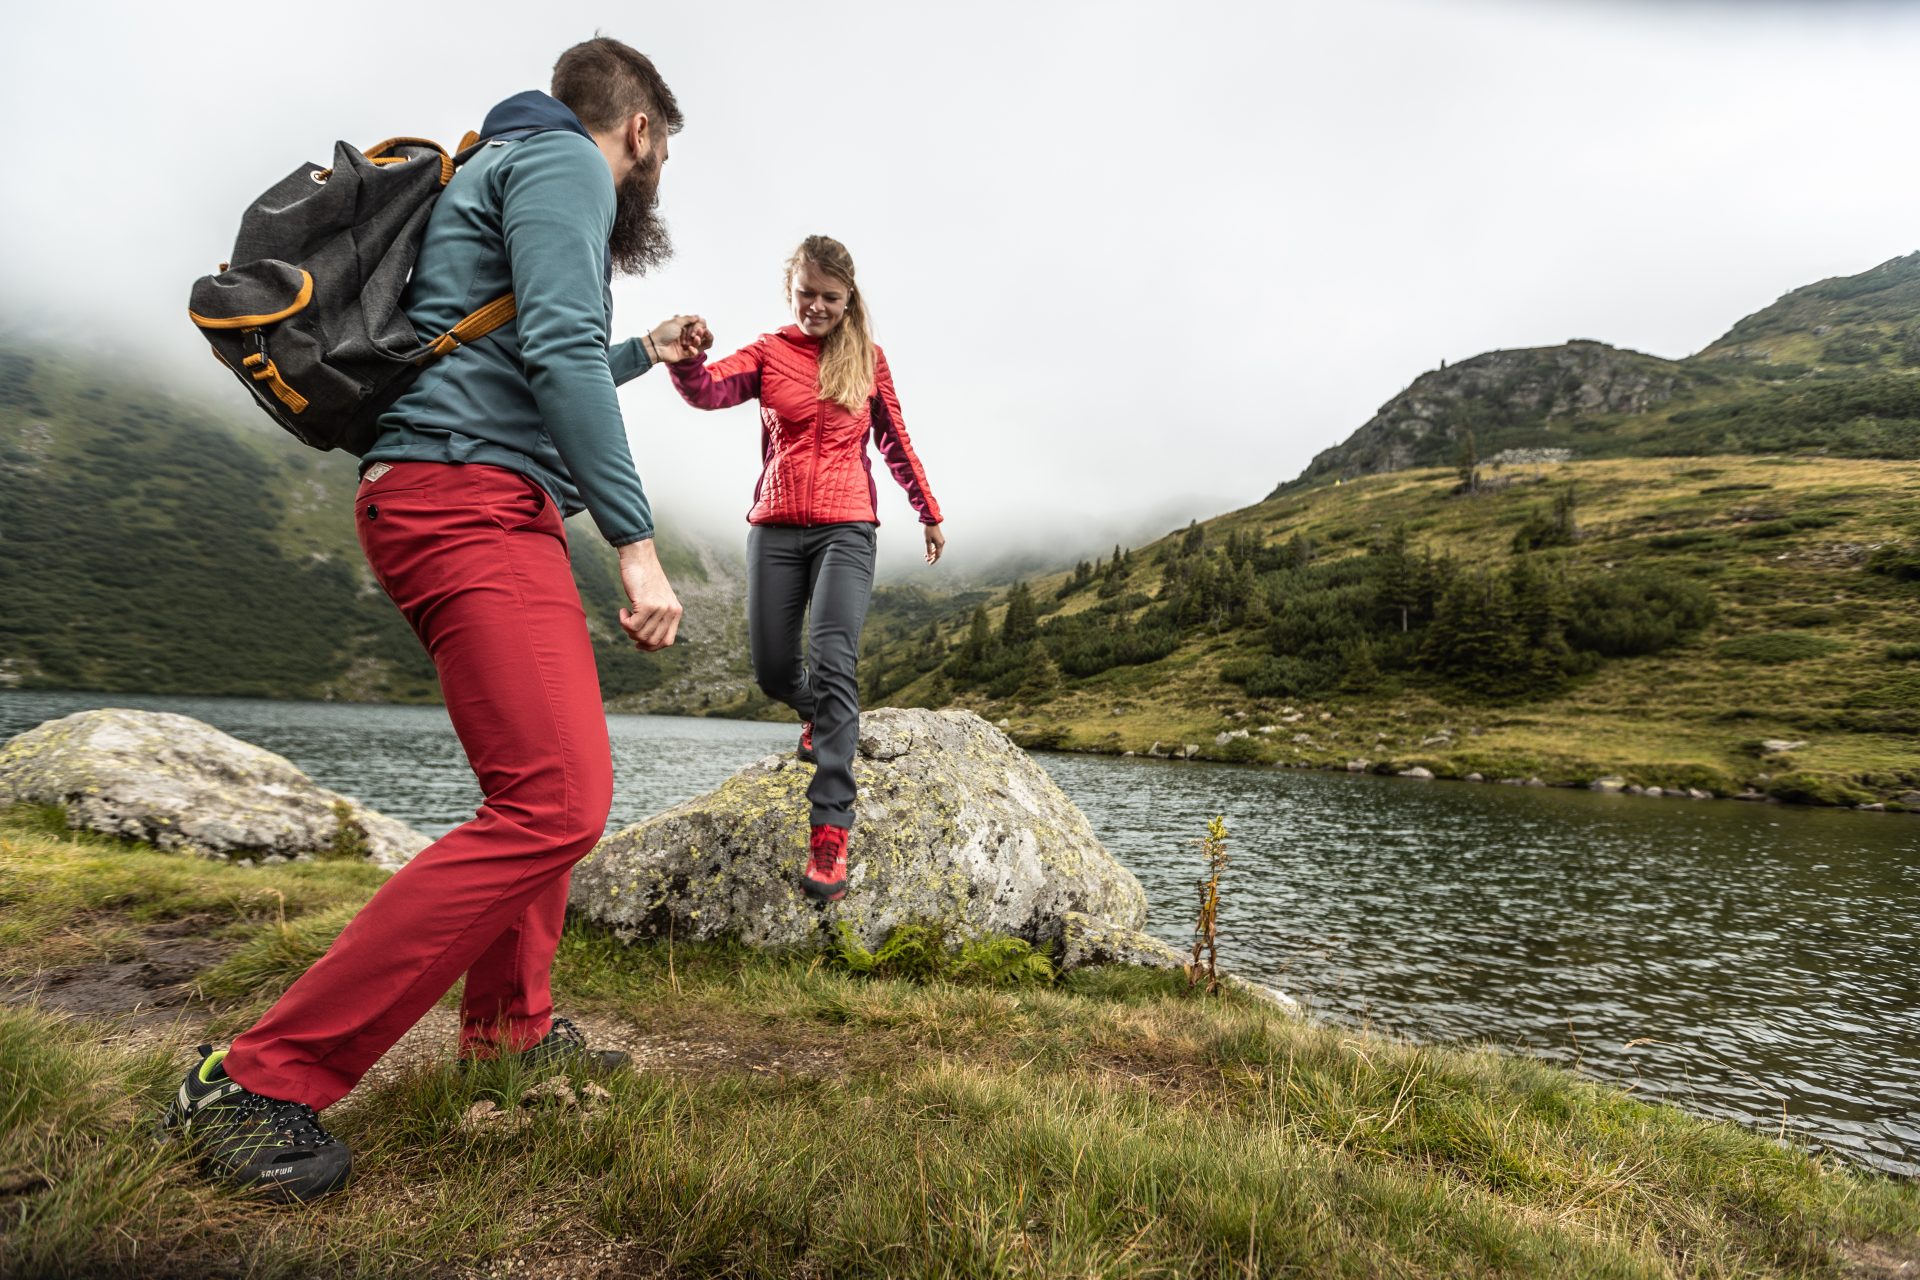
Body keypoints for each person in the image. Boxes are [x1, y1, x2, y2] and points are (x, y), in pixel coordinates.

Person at [160, 38, 697, 1203]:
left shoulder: (495, 161)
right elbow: (549, 347)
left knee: (544, 792)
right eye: (659, 156)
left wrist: (641, 354)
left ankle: (511, 1034)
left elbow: (512, 350)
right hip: (466, 498)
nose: (650, 184)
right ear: (640, 130)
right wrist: (637, 543)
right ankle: (257, 1076)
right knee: (560, 797)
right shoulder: (567, 166)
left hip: (461, 488)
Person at [664, 234, 945, 903]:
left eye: (830, 297)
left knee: (833, 659)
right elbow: (707, 390)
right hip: (777, 526)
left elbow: (896, 441)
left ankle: (830, 831)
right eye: (806, 295)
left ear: (849, 299)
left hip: (848, 527)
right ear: (791, 292)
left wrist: (927, 508)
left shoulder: (868, 360)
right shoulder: (767, 354)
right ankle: (823, 717)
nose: (816, 306)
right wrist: (685, 360)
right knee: (770, 669)